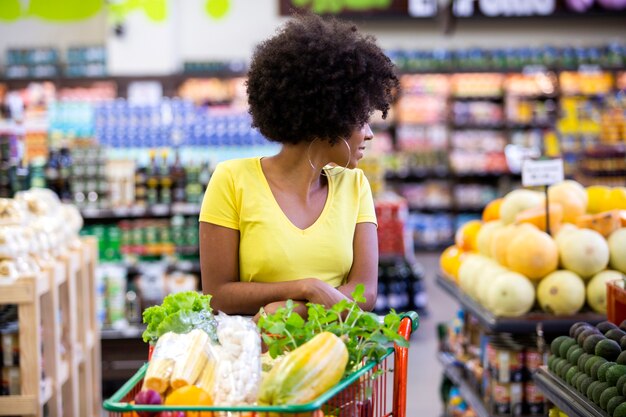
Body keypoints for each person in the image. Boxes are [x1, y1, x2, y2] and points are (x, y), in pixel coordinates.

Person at [199, 13, 398, 316]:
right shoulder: (232, 180)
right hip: (253, 357)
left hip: (337, 355)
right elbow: (219, 296)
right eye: (361, 119)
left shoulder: (355, 186)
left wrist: (291, 311)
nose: (369, 133)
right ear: (330, 115)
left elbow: (365, 293)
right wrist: (306, 288)